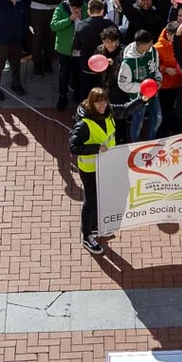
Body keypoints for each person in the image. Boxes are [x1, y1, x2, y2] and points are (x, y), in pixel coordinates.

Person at [69, 86, 117, 252]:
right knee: (90, 201)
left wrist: (142, 100)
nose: (102, 105)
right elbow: (73, 147)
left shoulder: (108, 113)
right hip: (89, 169)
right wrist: (96, 148)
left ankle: (96, 226)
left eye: (104, 101)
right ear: (92, 103)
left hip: (104, 165)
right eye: (98, 102)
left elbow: (126, 109)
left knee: (100, 197)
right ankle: (86, 235)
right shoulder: (84, 124)